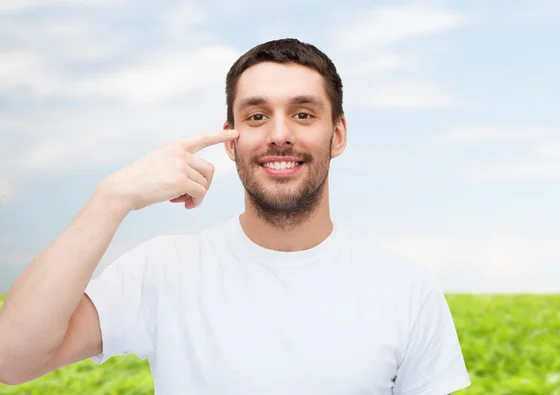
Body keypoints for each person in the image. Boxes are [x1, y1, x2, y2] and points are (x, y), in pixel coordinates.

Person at [0, 38, 471, 394]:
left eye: (304, 114)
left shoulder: (405, 288)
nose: (279, 135)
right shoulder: (163, 270)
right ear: (231, 138)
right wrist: (112, 196)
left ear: (338, 135)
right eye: (256, 116)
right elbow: (11, 359)